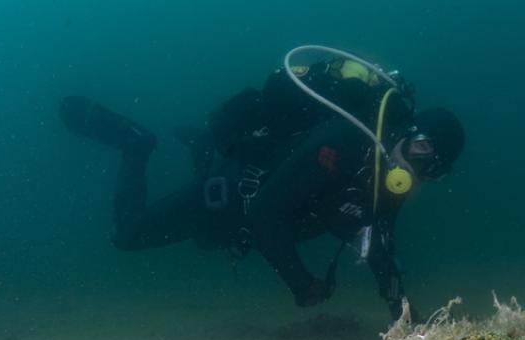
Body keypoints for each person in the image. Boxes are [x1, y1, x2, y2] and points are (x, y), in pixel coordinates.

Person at [58, 47, 465, 320]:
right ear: (404, 133)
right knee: (126, 236)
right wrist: (301, 284)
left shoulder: (387, 179)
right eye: (421, 150)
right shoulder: (339, 142)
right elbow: (264, 215)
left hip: (251, 219)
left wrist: (404, 316)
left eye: (434, 170)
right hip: (231, 197)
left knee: (207, 243)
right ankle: (136, 143)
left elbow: (380, 246)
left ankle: (203, 146)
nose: (418, 170)